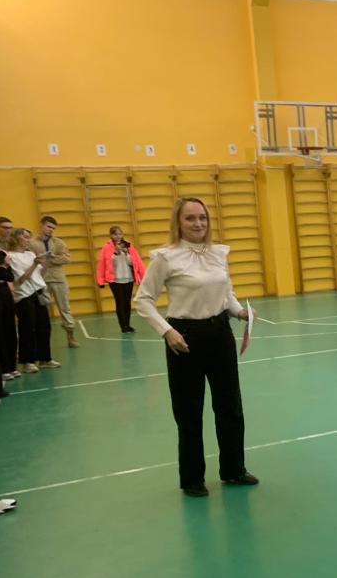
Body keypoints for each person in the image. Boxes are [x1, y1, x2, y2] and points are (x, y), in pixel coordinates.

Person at [134, 197, 258, 497]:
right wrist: (167, 332)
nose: (198, 223)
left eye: (202, 217)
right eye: (190, 218)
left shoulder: (218, 253)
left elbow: (226, 293)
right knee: (189, 412)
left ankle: (233, 469)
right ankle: (192, 478)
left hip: (220, 334)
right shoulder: (166, 257)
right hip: (184, 338)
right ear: (178, 222)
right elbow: (143, 300)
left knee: (230, 407)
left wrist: (239, 312)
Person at [7, 228, 60, 373]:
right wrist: (35, 264)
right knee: (27, 329)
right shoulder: (11, 257)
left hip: (38, 292)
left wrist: (47, 261)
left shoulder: (30, 254)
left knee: (44, 327)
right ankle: (28, 361)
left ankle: (45, 358)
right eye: (25, 237)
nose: (28, 240)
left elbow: (40, 275)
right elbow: (21, 279)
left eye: (29, 237)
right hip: (24, 295)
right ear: (16, 238)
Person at [29, 216, 79, 348]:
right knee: (41, 309)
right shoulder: (32, 243)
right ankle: (42, 339)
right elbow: (31, 260)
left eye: (53, 228)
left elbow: (66, 258)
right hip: (41, 280)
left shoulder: (58, 242)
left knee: (65, 307)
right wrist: (43, 261)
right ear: (41, 225)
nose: (51, 230)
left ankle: (70, 335)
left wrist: (51, 259)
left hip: (58, 279)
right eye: (48, 226)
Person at [97, 226, 146, 333]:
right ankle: (123, 326)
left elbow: (136, 262)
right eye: (115, 234)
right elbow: (103, 264)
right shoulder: (107, 247)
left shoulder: (129, 246)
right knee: (120, 302)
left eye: (120, 234)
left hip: (128, 278)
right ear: (111, 235)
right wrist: (116, 253)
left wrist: (127, 253)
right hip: (115, 280)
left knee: (127, 303)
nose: (118, 236)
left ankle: (128, 324)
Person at [0, 249, 17, 384]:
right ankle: (3, 368)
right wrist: (3, 267)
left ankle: (11, 366)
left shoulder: (2, 257)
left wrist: (5, 266)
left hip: (5, 295)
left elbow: (10, 277)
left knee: (10, 331)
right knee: (0, 334)